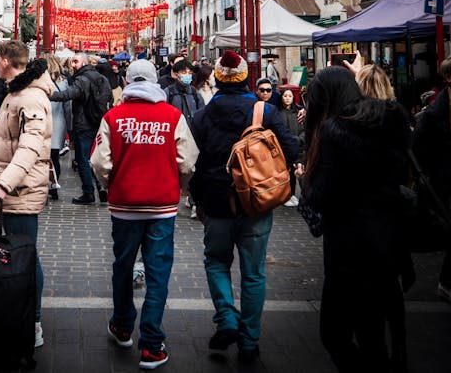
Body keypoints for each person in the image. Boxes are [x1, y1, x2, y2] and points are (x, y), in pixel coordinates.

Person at [189, 50, 298, 361]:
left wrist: (197, 198)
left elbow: (191, 162)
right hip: (257, 203)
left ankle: (226, 318)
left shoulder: (203, 115)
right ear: (245, 77)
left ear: (218, 79)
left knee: (216, 262)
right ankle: (249, 342)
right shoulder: (264, 111)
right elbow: (291, 148)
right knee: (253, 274)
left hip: (216, 203)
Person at [91, 58, 199, 370]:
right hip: (162, 206)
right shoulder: (172, 116)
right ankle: (152, 344)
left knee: (123, 266)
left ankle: (123, 326)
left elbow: (99, 162)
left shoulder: (114, 117)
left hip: (124, 206)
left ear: (127, 81)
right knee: (158, 272)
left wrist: (112, 182)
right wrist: (178, 184)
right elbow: (189, 160)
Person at [302, 66, 410, 373]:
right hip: (387, 240)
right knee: (372, 330)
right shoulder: (392, 118)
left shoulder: (335, 131)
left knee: (334, 333)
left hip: (348, 248)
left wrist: (304, 181)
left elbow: (321, 196)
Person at [0, 41, 53, 350]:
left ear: (7, 60)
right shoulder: (15, 93)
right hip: (16, 186)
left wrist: (4, 183)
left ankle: (32, 321)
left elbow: (31, 144)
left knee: (25, 254)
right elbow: (15, 133)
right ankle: (22, 313)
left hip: (22, 188)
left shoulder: (30, 97)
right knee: (21, 251)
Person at [49, 51, 113, 205]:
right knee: (95, 157)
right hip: (98, 122)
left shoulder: (81, 79)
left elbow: (68, 95)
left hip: (83, 124)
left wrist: (49, 94)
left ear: (84, 63)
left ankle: (88, 193)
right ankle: (101, 187)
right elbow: (109, 97)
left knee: (82, 159)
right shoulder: (101, 78)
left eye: (76, 61)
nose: (73, 64)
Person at [413, 56, 451, 306]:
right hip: (444, 180)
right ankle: (446, 283)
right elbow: (417, 149)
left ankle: (446, 282)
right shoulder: (433, 114)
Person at [43, 52, 71, 200]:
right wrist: (69, 126)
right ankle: (54, 187)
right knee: (54, 157)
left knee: (42, 156)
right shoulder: (64, 81)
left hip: (43, 121)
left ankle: (45, 185)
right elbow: (68, 106)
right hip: (59, 122)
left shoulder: (39, 82)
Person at [277, 85, 304, 207]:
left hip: (297, 145)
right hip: (283, 146)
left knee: (294, 170)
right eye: (285, 96)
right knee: (284, 171)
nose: (287, 98)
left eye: (290, 96)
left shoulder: (299, 112)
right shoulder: (277, 112)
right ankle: (285, 195)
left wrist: (299, 139)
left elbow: (304, 129)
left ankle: (292, 193)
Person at [164, 59, 204, 128]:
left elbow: (202, 114)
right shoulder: (169, 93)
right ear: (176, 74)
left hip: (193, 133)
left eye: (190, 73)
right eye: (184, 72)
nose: (187, 75)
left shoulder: (195, 93)